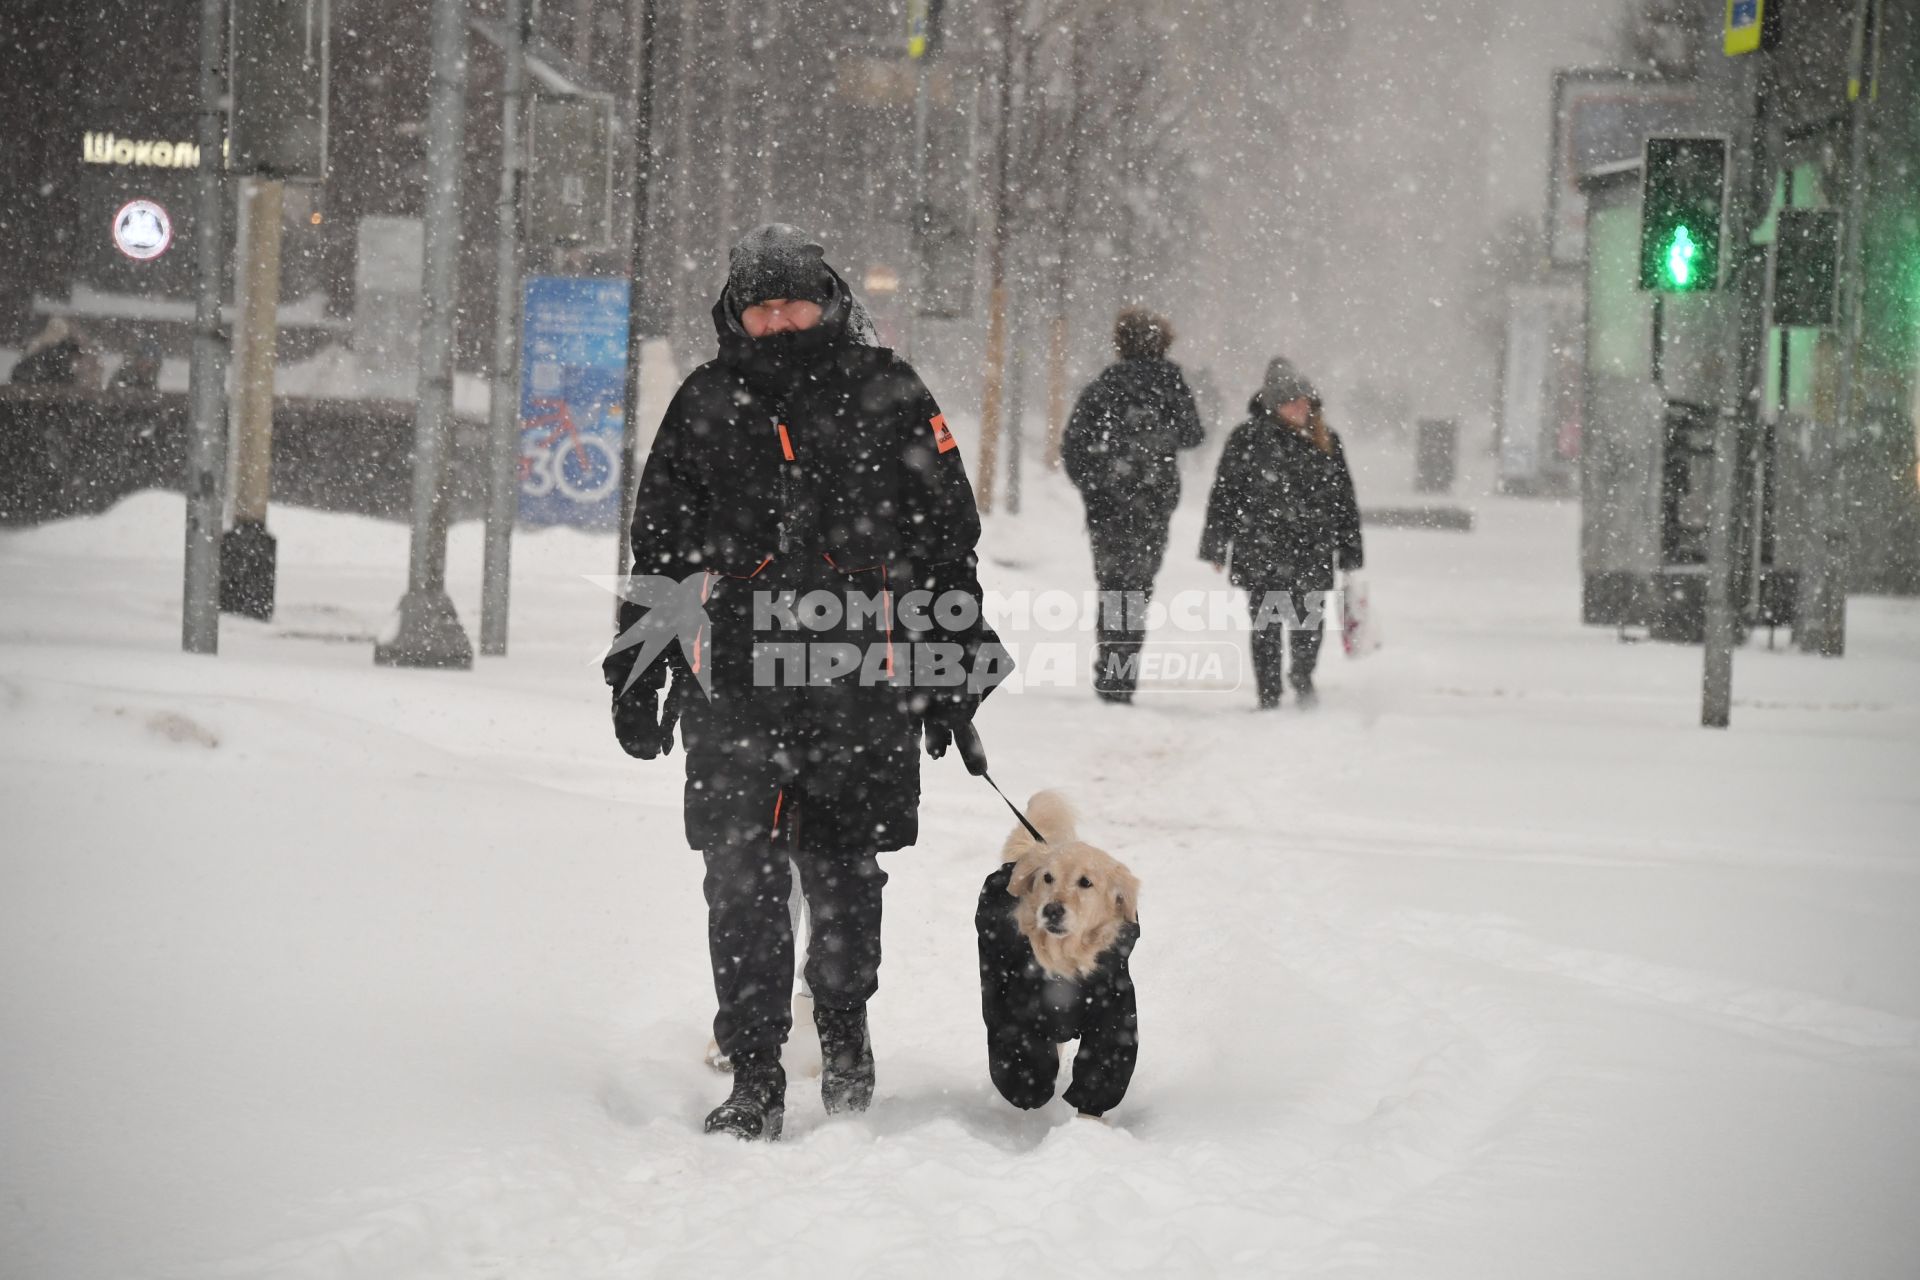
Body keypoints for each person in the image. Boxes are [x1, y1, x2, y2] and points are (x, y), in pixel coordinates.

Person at [602, 224, 1003, 1141]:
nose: (778, 319)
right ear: (735, 313)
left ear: (829, 303)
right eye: (760, 304)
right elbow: (660, 549)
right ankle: (753, 1069)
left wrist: (955, 670)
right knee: (737, 874)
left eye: (795, 302)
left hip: (861, 678)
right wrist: (636, 672)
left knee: (845, 872)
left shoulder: (890, 391)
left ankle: (844, 1023)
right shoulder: (704, 402)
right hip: (733, 681)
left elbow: (947, 543)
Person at [1199, 357, 1363, 709]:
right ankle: (1268, 692)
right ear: (1274, 404)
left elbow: (1343, 499)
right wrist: (1215, 544)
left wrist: (1350, 549)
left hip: (1311, 547)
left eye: (1306, 400)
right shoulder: (1246, 439)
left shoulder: (1326, 441)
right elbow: (1225, 493)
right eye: (1293, 400)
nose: (1302, 406)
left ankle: (1302, 677)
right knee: (1266, 625)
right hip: (1261, 547)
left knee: (1308, 624)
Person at [1061, 308, 1204, 702]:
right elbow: (1194, 433)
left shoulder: (1104, 386)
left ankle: (1110, 672)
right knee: (1138, 590)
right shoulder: (1171, 385)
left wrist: (1097, 483)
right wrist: (1160, 443)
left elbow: (1072, 446)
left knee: (1112, 588)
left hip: (1108, 508)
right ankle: (1123, 673)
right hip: (1153, 504)